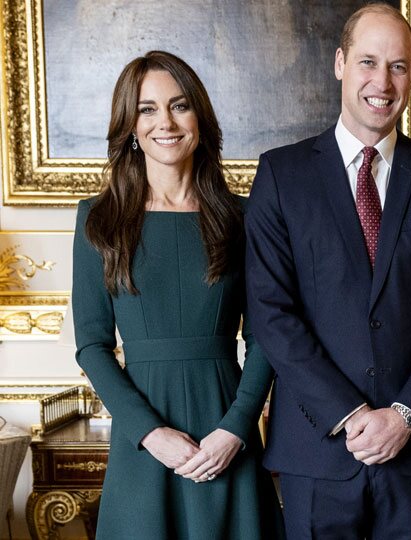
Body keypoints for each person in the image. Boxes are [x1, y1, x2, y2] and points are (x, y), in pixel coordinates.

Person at [244, 3, 411, 539]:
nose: (382, 81)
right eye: (368, 62)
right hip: (317, 447)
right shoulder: (282, 175)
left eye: (398, 66)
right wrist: (350, 415)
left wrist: (404, 415)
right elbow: (270, 313)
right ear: (339, 63)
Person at [72, 50, 284, 539]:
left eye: (179, 106)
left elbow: (265, 337)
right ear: (129, 125)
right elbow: (92, 346)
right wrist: (150, 433)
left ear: (200, 118)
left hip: (226, 430)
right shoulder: (97, 218)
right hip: (142, 442)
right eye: (147, 109)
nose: (164, 122)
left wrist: (236, 428)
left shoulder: (244, 217)